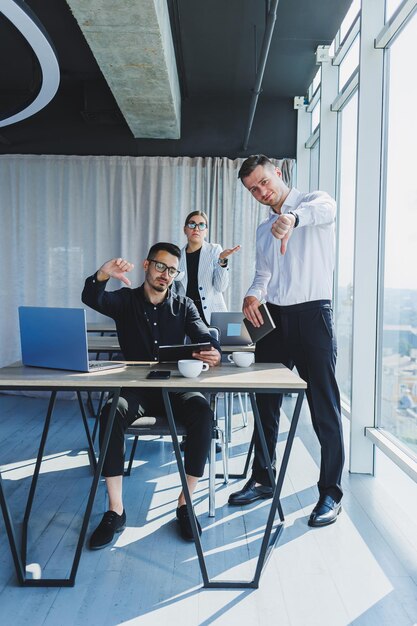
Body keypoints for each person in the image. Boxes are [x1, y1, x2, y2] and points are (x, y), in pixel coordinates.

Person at [228, 154, 345, 528]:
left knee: (323, 406)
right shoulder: (263, 231)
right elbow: (263, 274)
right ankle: (263, 478)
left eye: (264, 182)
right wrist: (250, 295)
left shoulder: (314, 203)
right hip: (273, 317)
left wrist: (292, 218)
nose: (262, 192)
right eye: (253, 190)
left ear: (278, 173)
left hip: (313, 316)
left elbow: (328, 209)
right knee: (264, 403)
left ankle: (330, 492)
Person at [81, 242, 221, 548]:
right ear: (146, 265)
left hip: (174, 389)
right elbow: (91, 296)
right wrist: (104, 273)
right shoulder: (124, 301)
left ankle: (185, 504)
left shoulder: (184, 304)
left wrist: (214, 353)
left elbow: (204, 336)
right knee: (110, 412)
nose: (165, 274)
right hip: (137, 389)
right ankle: (115, 511)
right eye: (160, 266)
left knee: (203, 414)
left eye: (172, 270)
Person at [174, 210, 240, 325]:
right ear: (185, 229)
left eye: (201, 225)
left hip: (211, 314)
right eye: (192, 224)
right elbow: (174, 292)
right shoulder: (177, 257)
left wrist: (222, 260)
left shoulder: (215, 250)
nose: (196, 228)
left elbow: (220, 287)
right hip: (185, 316)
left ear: (206, 231)